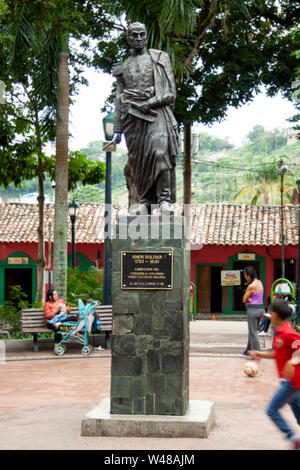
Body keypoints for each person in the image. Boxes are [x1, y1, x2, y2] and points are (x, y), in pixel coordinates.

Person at [113, 22, 179, 215]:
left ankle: (164, 199)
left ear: (146, 36)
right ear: (128, 38)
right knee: (138, 161)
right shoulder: (123, 66)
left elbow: (171, 92)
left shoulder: (159, 58)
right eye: (134, 35)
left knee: (160, 152)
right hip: (132, 117)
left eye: (142, 34)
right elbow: (119, 96)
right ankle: (145, 201)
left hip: (156, 112)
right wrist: (117, 128)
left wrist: (150, 102)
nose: (139, 39)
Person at [249, 299, 300, 450]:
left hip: (292, 381)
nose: (269, 315)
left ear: (276, 315)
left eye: (271, 312)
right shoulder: (279, 332)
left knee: (272, 410)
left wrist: (292, 362)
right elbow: (276, 353)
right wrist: (259, 354)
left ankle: (294, 439)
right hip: (291, 382)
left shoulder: (288, 333)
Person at [240, 266, 264, 358]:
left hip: (252, 310)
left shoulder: (251, 286)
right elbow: (258, 297)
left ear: (249, 276)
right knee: (252, 331)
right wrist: (251, 298)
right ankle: (248, 351)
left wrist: (249, 298)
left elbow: (244, 299)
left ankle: (256, 354)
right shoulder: (259, 282)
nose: (245, 277)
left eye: (245, 275)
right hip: (260, 309)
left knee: (253, 333)